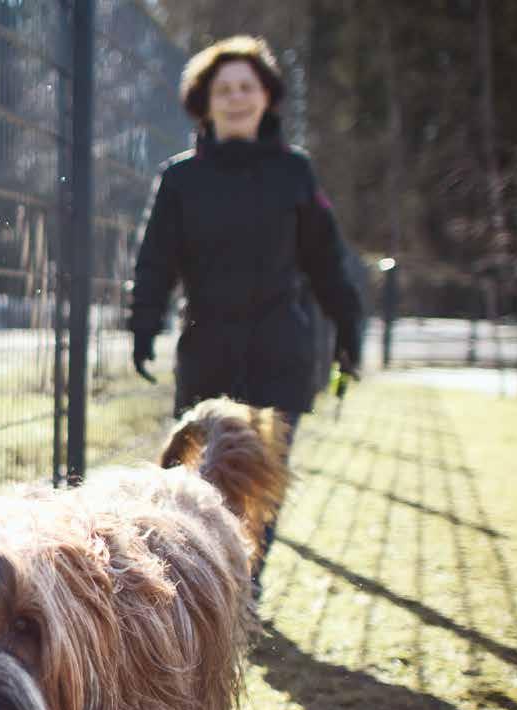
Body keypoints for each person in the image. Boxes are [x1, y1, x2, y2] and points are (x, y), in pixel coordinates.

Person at [129, 35, 363, 589]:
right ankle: (198, 585)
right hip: (206, 350)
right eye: (223, 89)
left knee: (258, 479)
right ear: (204, 102)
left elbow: (327, 261)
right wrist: (144, 322)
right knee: (197, 478)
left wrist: (349, 331)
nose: (235, 98)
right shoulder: (180, 178)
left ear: (266, 98)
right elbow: (155, 259)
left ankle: (244, 587)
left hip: (277, 352)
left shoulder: (294, 174)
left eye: (246, 87)